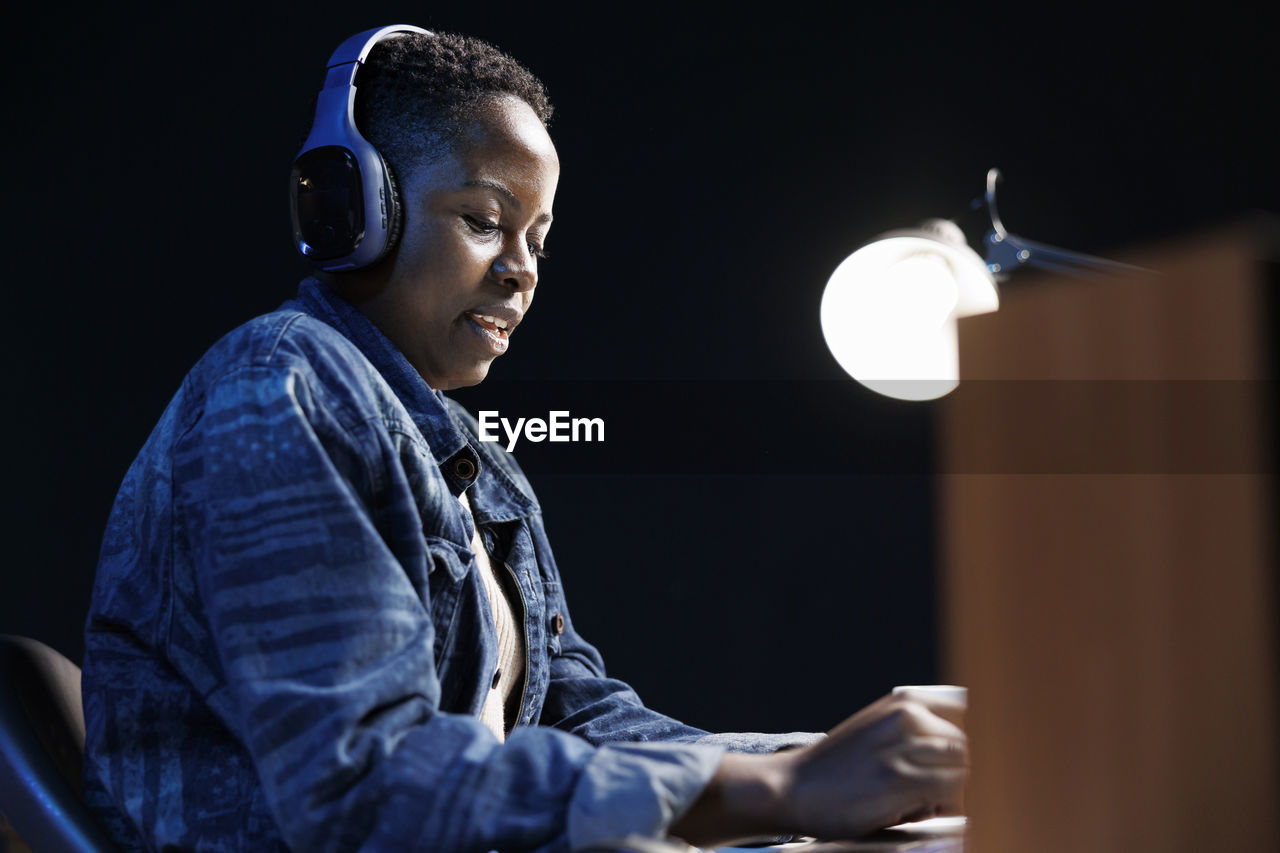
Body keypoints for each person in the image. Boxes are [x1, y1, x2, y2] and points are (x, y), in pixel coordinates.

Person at [81, 27, 967, 852]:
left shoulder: (479, 468)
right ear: (355, 209)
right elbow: (358, 782)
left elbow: (579, 720)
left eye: (537, 237)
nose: (522, 269)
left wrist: (851, 758)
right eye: (482, 220)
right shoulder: (280, 385)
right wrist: (787, 789)